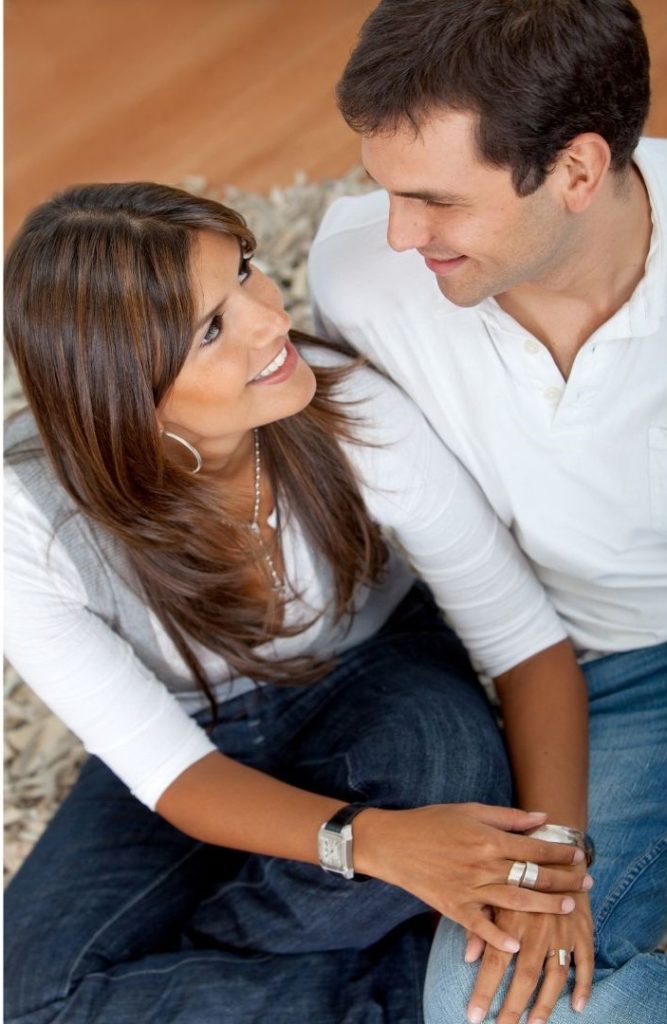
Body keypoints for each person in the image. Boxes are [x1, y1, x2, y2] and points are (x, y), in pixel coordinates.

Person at [3, 182, 590, 1024]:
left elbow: (525, 645)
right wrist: (372, 845)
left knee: (451, 776)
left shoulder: (348, 409)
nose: (271, 321)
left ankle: (206, 985)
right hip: (200, 738)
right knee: (33, 998)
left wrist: (550, 873)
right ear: (121, 394)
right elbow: (171, 771)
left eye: (243, 273)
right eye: (212, 329)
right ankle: (409, 980)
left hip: (374, 673)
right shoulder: (26, 523)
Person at [307, 1, 667, 1023]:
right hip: (607, 674)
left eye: (436, 201)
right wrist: (550, 847)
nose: (399, 234)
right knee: (500, 1005)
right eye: (383, 191)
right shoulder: (361, 281)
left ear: (578, 171)